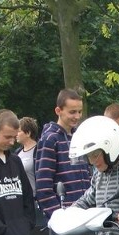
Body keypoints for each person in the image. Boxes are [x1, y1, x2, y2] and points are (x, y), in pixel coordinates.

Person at [35, 88, 89, 220]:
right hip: (65, 218)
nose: (77, 116)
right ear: (58, 111)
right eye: (72, 112)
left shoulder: (80, 137)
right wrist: (59, 217)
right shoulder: (50, 140)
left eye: (80, 112)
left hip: (86, 214)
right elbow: (43, 186)